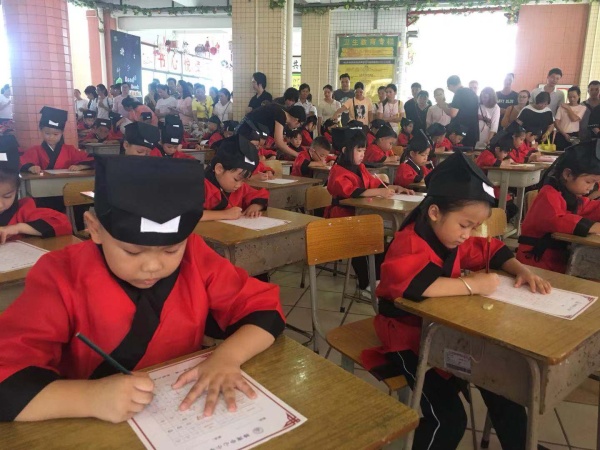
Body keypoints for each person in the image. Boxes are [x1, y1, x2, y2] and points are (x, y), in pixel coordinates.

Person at [0, 152, 284, 422]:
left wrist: (227, 357)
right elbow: (7, 372)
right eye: (132, 252)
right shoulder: (59, 275)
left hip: (178, 408)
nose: (153, 266)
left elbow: (263, 308)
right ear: (94, 228)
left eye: (171, 250)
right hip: (88, 418)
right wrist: (89, 398)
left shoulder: (194, 255)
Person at [363, 151, 550, 449]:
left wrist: (521, 270)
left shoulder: (448, 237)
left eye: (473, 227)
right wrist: (472, 285)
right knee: (448, 420)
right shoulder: (410, 242)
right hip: (406, 338)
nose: (468, 235)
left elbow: (490, 249)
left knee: (500, 384)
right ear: (434, 212)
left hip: (444, 331)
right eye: (464, 225)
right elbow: (415, 286)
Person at [326, 126, 414, 291]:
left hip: (360, 215)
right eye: (359, 150)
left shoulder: (360, 168)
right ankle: (365, 283)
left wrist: (395, 187)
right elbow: (352, 192)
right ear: (345, 150)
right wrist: (380, 192)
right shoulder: (337, 171)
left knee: (380, 242)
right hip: (342, 217)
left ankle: (378, 279)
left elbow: (373, 182)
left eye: (364, 150)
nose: (362, 154)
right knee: (363, 244)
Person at [517, 141, 600, 273]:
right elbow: (557, 220)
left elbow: (590, 207)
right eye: (588, 182)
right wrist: (593, 227)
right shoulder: (548, 194)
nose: (590, 188)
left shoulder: (572, 197)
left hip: (555, 259)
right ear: (568, 174)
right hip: (535, 262)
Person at [0, 135, 71, 244]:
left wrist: (19, 228)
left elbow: (63, 223)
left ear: (17, 190)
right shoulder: (36, 150)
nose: (0, 205)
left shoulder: (23, 210)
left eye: (7, 196)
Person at [201, 135, 269, 221]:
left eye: (243, 181)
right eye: (236, 179)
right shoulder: (200, 186)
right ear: (219, 169)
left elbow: (260, 195)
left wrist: (255, 206)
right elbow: (187, 214)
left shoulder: (239, 188)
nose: (239, 185)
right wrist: (224, 214)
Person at [20, 107, 94, 174]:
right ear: (41, 131)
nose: (51, 137)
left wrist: (80, 166)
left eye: (55, 134)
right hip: (42, 182)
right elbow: (23, 162)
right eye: (47, 133)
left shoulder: (70, 150)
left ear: (61, 133)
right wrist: (31, 167)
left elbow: (91, 159)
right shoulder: (35, 150)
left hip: (66, 182)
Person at [238, 103, 306, 159]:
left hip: (245, 131)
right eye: (300, 124)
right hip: (245, 133)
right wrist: (298, 155)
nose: (297, 127)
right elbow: (279, 143)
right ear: (297, 120)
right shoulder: (281, 115)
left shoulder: (280, 111)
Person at [443, 75, 480, 147]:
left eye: (448, 88)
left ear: (450, 86)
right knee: (469, 153)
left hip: (461, 133)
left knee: (457, 153)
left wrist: (442, 106)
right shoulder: (472, 93)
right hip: (472, 131)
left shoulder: (459, 92)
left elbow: (453, 113)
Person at [554, 86, 586, 150]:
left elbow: (574, 119)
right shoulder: (562, 107)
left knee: (573, 153)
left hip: (574, 134)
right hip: (561, 133)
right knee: (559, 153)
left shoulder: (582, 108)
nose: (572, 99)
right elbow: (556, 123)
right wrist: (565, 134)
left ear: (579, 96)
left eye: (574, 97)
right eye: (570, 97)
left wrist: (568, 108)